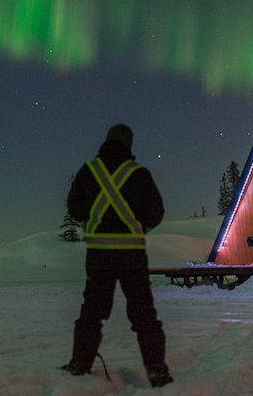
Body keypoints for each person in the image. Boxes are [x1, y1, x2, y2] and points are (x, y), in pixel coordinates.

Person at [62, 123, 172, 387]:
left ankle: (80, 364)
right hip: (132, 257)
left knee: (91, 312)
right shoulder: (139, 174)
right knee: (144, 314)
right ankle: (156, 370)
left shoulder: (89, 172)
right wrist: (138, 228)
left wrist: (93, 222)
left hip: (98, 257)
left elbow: (74, 209)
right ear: (129, 144)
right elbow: (156, 213)